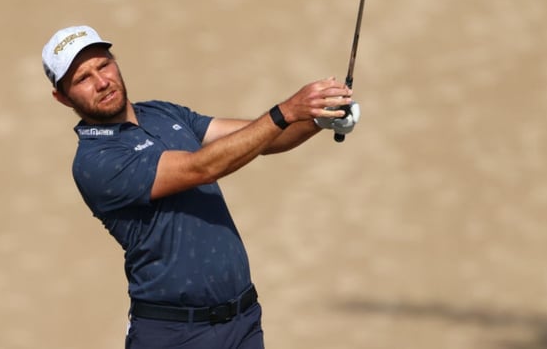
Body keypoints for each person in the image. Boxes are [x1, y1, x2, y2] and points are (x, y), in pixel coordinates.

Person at [42, 25, 360, 349]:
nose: (102, 82)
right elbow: (201, 168)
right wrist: (286, 110)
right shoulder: (95, 161)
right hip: (175, 334)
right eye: (82, 79)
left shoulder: (162, 113)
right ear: (62, 97)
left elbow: (260, 138)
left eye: (104, 65)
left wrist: (320, 118)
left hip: (244, 322)